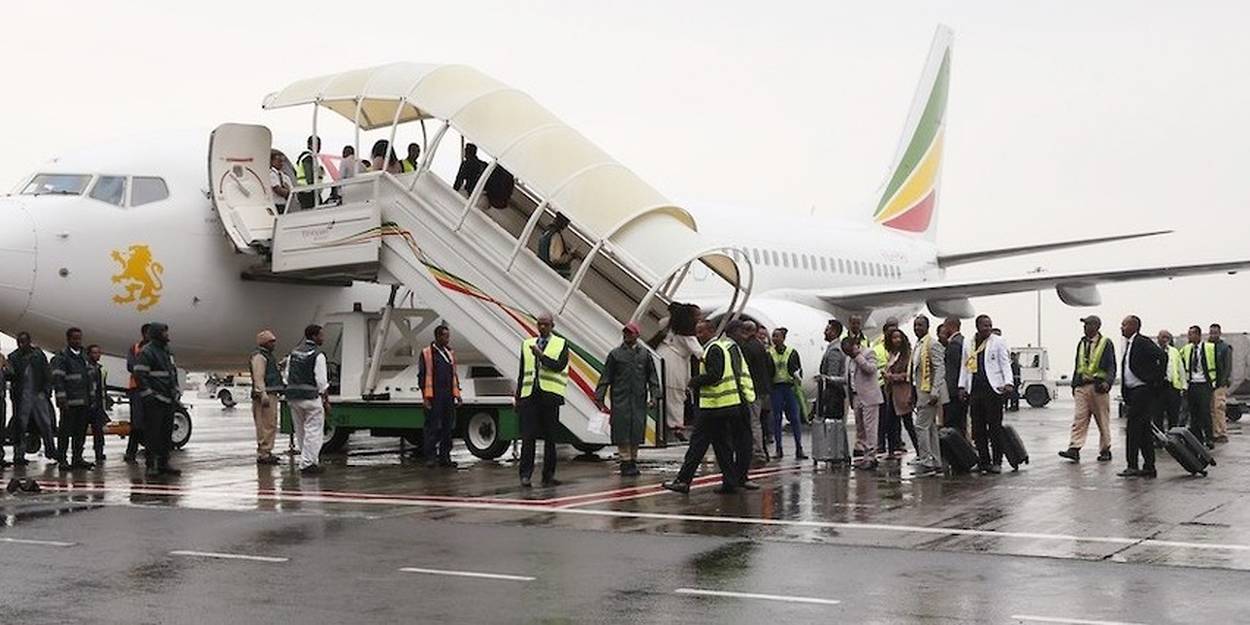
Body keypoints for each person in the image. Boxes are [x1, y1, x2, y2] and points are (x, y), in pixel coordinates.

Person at [663, 320, 754, 494]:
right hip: (727, 405)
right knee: (722, 446)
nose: (698, 336)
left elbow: (715, 375)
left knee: (698, 444)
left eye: (701, 332)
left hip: (714, 406)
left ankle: (683, 481)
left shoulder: (713, 349)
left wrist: (694, 382)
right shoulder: (721, 347)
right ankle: (730, 481)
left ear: (711, 331)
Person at [595, 322, 660, 477]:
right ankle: (625, 462)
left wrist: (655, 396)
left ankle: (633, 461)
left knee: (636, 431)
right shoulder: (615, 354)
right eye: (625, 333)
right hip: (620, 399)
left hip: (638, 399)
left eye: (630, 333)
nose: (627, 335)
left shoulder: (645, 354)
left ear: (637, 335)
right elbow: (606, 376)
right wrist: (600, 396)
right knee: (621, 430)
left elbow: (652, 378)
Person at [516, 313, 570, 487]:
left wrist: (541, 355)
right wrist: (518, 397)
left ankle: (548, 475)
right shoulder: (527, 344)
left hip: (550, 397)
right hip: (530, 396)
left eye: (546, 324)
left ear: (552, 326)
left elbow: (559, 366)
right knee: (528, 437)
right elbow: (522, 372)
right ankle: (525, 475)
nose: (542, 327)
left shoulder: (561, 344)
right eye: (540, 324)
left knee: (550, 438)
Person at [957, 315, 1013, 474]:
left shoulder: (998, 342)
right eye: (985, 325)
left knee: (994, 427)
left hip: (993, 389)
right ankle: (984, 460)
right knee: (977, 428)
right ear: (977, 326)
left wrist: (1008, 382)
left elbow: (1005, 363)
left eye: (990, 325)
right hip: (975, 390)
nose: (988, 328)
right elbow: (964, 366)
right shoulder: (969, 343)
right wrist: (962, 386)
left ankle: (997, 461)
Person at [1059, 316, 1117, 463]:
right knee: (1079, 418)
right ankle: (1074, 448)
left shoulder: (1106, 343)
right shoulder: (1082, 343)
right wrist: (1074, 385)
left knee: (1102, 420)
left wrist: (1107, 382)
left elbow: (1111, 365)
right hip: (1082, 386)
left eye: (1088, 325)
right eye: (1084, 325)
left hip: (1098, 388)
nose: (1084, 328)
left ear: (1097, 326)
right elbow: (1077, 365)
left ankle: (1105, 449)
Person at [1118, 315, 1166, 478]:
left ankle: (1132, 465)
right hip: (1133, 392)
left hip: (1143, 391)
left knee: (1132, 428)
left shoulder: (1142, 342)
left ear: (1133, 326)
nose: (1121, 327)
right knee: (1145, 430)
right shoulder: (1129, 345)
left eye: (1124, 325)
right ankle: (1149, 466)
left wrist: (1155, 380)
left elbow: (1162, 356)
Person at [133, 323, 181, 478]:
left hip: (168, 399)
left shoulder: (167, 352)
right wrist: (149, 395)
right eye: (164, 332)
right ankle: (151, 465)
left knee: (166, 434)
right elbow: (140, 375)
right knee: (153, 434)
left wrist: (176, 389)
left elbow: (172, 372)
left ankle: (163, 462)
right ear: (156, 334)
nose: (167, 335)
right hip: (155, 401)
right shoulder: (147, 352)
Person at [285, 325, 330, 475]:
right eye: (321, 335)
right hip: (311, 397)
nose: (323, 338)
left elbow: (287, 375)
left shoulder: (293, 353)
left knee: (300, 431)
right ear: (314, 336)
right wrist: (325, 398)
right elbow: (321, 381)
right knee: (314, 431)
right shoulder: (318, 355)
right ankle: (308, 463)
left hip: (293, 396)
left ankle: (306, 459)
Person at [8, 332, 58, 465]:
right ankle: (19, 454)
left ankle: (51, 450)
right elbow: (11, 375)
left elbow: (47, 372)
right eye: (19, 342)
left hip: (38, 394)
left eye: (23, 342)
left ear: (29, 341)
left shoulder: (38, 355)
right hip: (22, 396)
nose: (21, 345)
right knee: (21, 426)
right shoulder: (13, 356)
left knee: (46, 424)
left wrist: (47, 390)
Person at [418, 325, 462, 468]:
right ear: (438, 336)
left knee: (447, 427)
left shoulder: (449, 353)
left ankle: (445, 457)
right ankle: (430, 456)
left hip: (448, 395)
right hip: (434, 395)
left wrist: (458, 395)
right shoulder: (427, 353)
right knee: (432, 427)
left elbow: (454, 375)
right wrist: (425, 397)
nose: (447, 339)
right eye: (445, 336)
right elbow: (423, 376)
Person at [51, 328, 94, 471]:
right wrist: (61, 399)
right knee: (65, 432)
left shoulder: (84, 356)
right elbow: (58, 379)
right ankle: (62, 459)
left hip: (84, 401)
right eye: (74, 339)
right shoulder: (61, 357)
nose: (77, 341)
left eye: (79, 338)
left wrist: (91, 398)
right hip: (69, 402)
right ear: (68, 339)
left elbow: (90, 378)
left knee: (80, 432)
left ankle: (77, 458)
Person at [911, 315, 946, 475]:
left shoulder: (932, 344)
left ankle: (926, 462)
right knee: (930, 428)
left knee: (920, 427)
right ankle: (936, 461)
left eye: (920, 325)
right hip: (921, 391)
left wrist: (934, 391)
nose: (917, 328)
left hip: (929, 393)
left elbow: (940, 369)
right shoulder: (918, 345)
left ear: (927, 327)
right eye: (915, 325)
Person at [844, 336, 883, 470]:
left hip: (869, 396)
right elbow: (848, 378)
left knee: (870, 428)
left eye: (850, 350)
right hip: (856, 396)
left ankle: (872, 456)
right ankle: (865, 455)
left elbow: (871, 369)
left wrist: (858, 356)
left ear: (856, 345)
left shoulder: (869, 353)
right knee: (860, 429)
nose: (848, 354)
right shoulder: (848, 359)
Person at [739, 320, 774, 465]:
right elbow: (770, 367)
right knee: (760, 421)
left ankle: (757, 451)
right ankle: (762, 450)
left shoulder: (747, 348)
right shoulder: (761, 347)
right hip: (764, 389)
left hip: (753, 389)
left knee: (754, 421)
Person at [769, 327, 806, 460]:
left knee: (795, 419)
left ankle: (799, 448)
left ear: (783, 338)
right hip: (776, 388)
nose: (774, 339)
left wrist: (797, 377)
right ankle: (779, 449)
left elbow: (798, 369)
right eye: (773, 336)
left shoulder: (792, 352)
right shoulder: (770, 353)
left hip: (789, 388)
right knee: (777, 419)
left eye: (777, 336)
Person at [249, 330, 284, 466]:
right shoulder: (259, 356)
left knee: (270, 423)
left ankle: (267, 451)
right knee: (266, 424)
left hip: (270, 393)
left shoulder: (267, 356)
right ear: (264, 343)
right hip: (265, 395)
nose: (274, 344)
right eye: (271, 341)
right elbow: (259, 377)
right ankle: (264, 452)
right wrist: (262, 394)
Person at [1179, 325, 1216, 448]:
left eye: (1192, 334)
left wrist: (1215, 383)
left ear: (1199, 335)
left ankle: (1209, 437)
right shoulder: (1186, 349)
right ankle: (1197, 438)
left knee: (1204, 412)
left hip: (1204, 384)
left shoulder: (1210, 348)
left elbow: (1218, 365)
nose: (1190, 337)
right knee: (1193, 413)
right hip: (1192, 384)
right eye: (1189, 334)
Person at [123, 324, 150, 464]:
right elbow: (131, 366)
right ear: (143, 334)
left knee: (151, 422)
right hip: (137, 389)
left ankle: (150, 451)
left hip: (152, 389)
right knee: (137, 422)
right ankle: (131, 452)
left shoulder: (159, 349)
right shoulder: (135, 348)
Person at [942, 317, 968, 436]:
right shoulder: (964, 341)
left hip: (953, 391)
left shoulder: (954, 344)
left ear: (950, 326)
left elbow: (953, 370)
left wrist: (950, 390)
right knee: (961, 422)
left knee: (952, 423)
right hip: (961, 389)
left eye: (945, 326)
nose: (943, 329)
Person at [818, 319, 847, 422]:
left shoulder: (834, 350)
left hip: (834, 393)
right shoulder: (834, 347)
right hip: (834, 392)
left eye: (827, 330)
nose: (824, 332)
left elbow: (832, 374)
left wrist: (824, 379)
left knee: (832, 422)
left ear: (834, 332)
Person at [1157, 330, 1185, 431]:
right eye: (1162, 337)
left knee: (1173, 415)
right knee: (1158, 415)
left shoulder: (1174, 351)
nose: (1164, 340)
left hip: (1172, 387)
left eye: (1167, 338)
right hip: (1158, 388)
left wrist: (1183, 386)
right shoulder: (1154, 350)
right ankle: (1159, 439)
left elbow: (1180, 369)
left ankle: (1173, 437)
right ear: (1158, 338)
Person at [1209, 323, 1232, 444]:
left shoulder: (1225, 347)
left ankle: (1222, 433)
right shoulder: (1207, 346)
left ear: (1219, 333)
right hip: (1209, 383)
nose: (1213, 335)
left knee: (1219, 408)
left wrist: (1223, 381)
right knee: (1211, 409)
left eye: (1215, 332)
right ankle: (1214, 432)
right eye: (1211, 332)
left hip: (1220, 383)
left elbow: (1227, 367)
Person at [86, 344, 108, 465]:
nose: (97, 355)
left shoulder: (101, 369)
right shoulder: (86, 368)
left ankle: (99, 452)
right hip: (88, 404)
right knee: (81, 431)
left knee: (98, 431)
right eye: (94, 353)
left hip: (98, 404)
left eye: (98, 352)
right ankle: (77, 454)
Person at [538, 214, 574, 279]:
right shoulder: (556, 236)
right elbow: (556, 258)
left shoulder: (548, 231)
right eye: (565, 224)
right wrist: (570, 256)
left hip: (541, 267)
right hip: (551, 275)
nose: (565, 226)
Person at [294, 135, 323, 210]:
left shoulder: (309, 157)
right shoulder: (308, 158)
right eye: (318, 144)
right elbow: (309, 176)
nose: (319, 147)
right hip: (308, 192)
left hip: (306, 191)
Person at [269, 150, 292, 214]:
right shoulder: (271, 174)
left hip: (284, 205)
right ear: (272, 161)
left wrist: (288, 191)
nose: (281, 163)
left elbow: (292, 192)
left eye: (282, 161)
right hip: (275, 205)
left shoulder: (285, 176)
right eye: (279, 161)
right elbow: (278, 190)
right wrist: (287, 191)